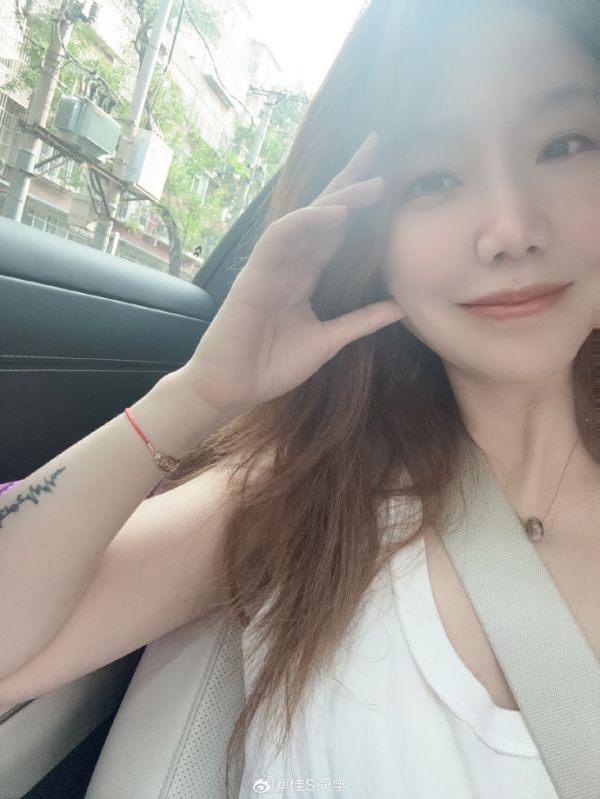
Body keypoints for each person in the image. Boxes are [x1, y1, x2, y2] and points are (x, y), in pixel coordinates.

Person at [0, 0, 597, 796]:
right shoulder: (309, 491)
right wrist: (198, 395)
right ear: (369, 238)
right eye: (435, 178)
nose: (511, 228)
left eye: (564, 144)